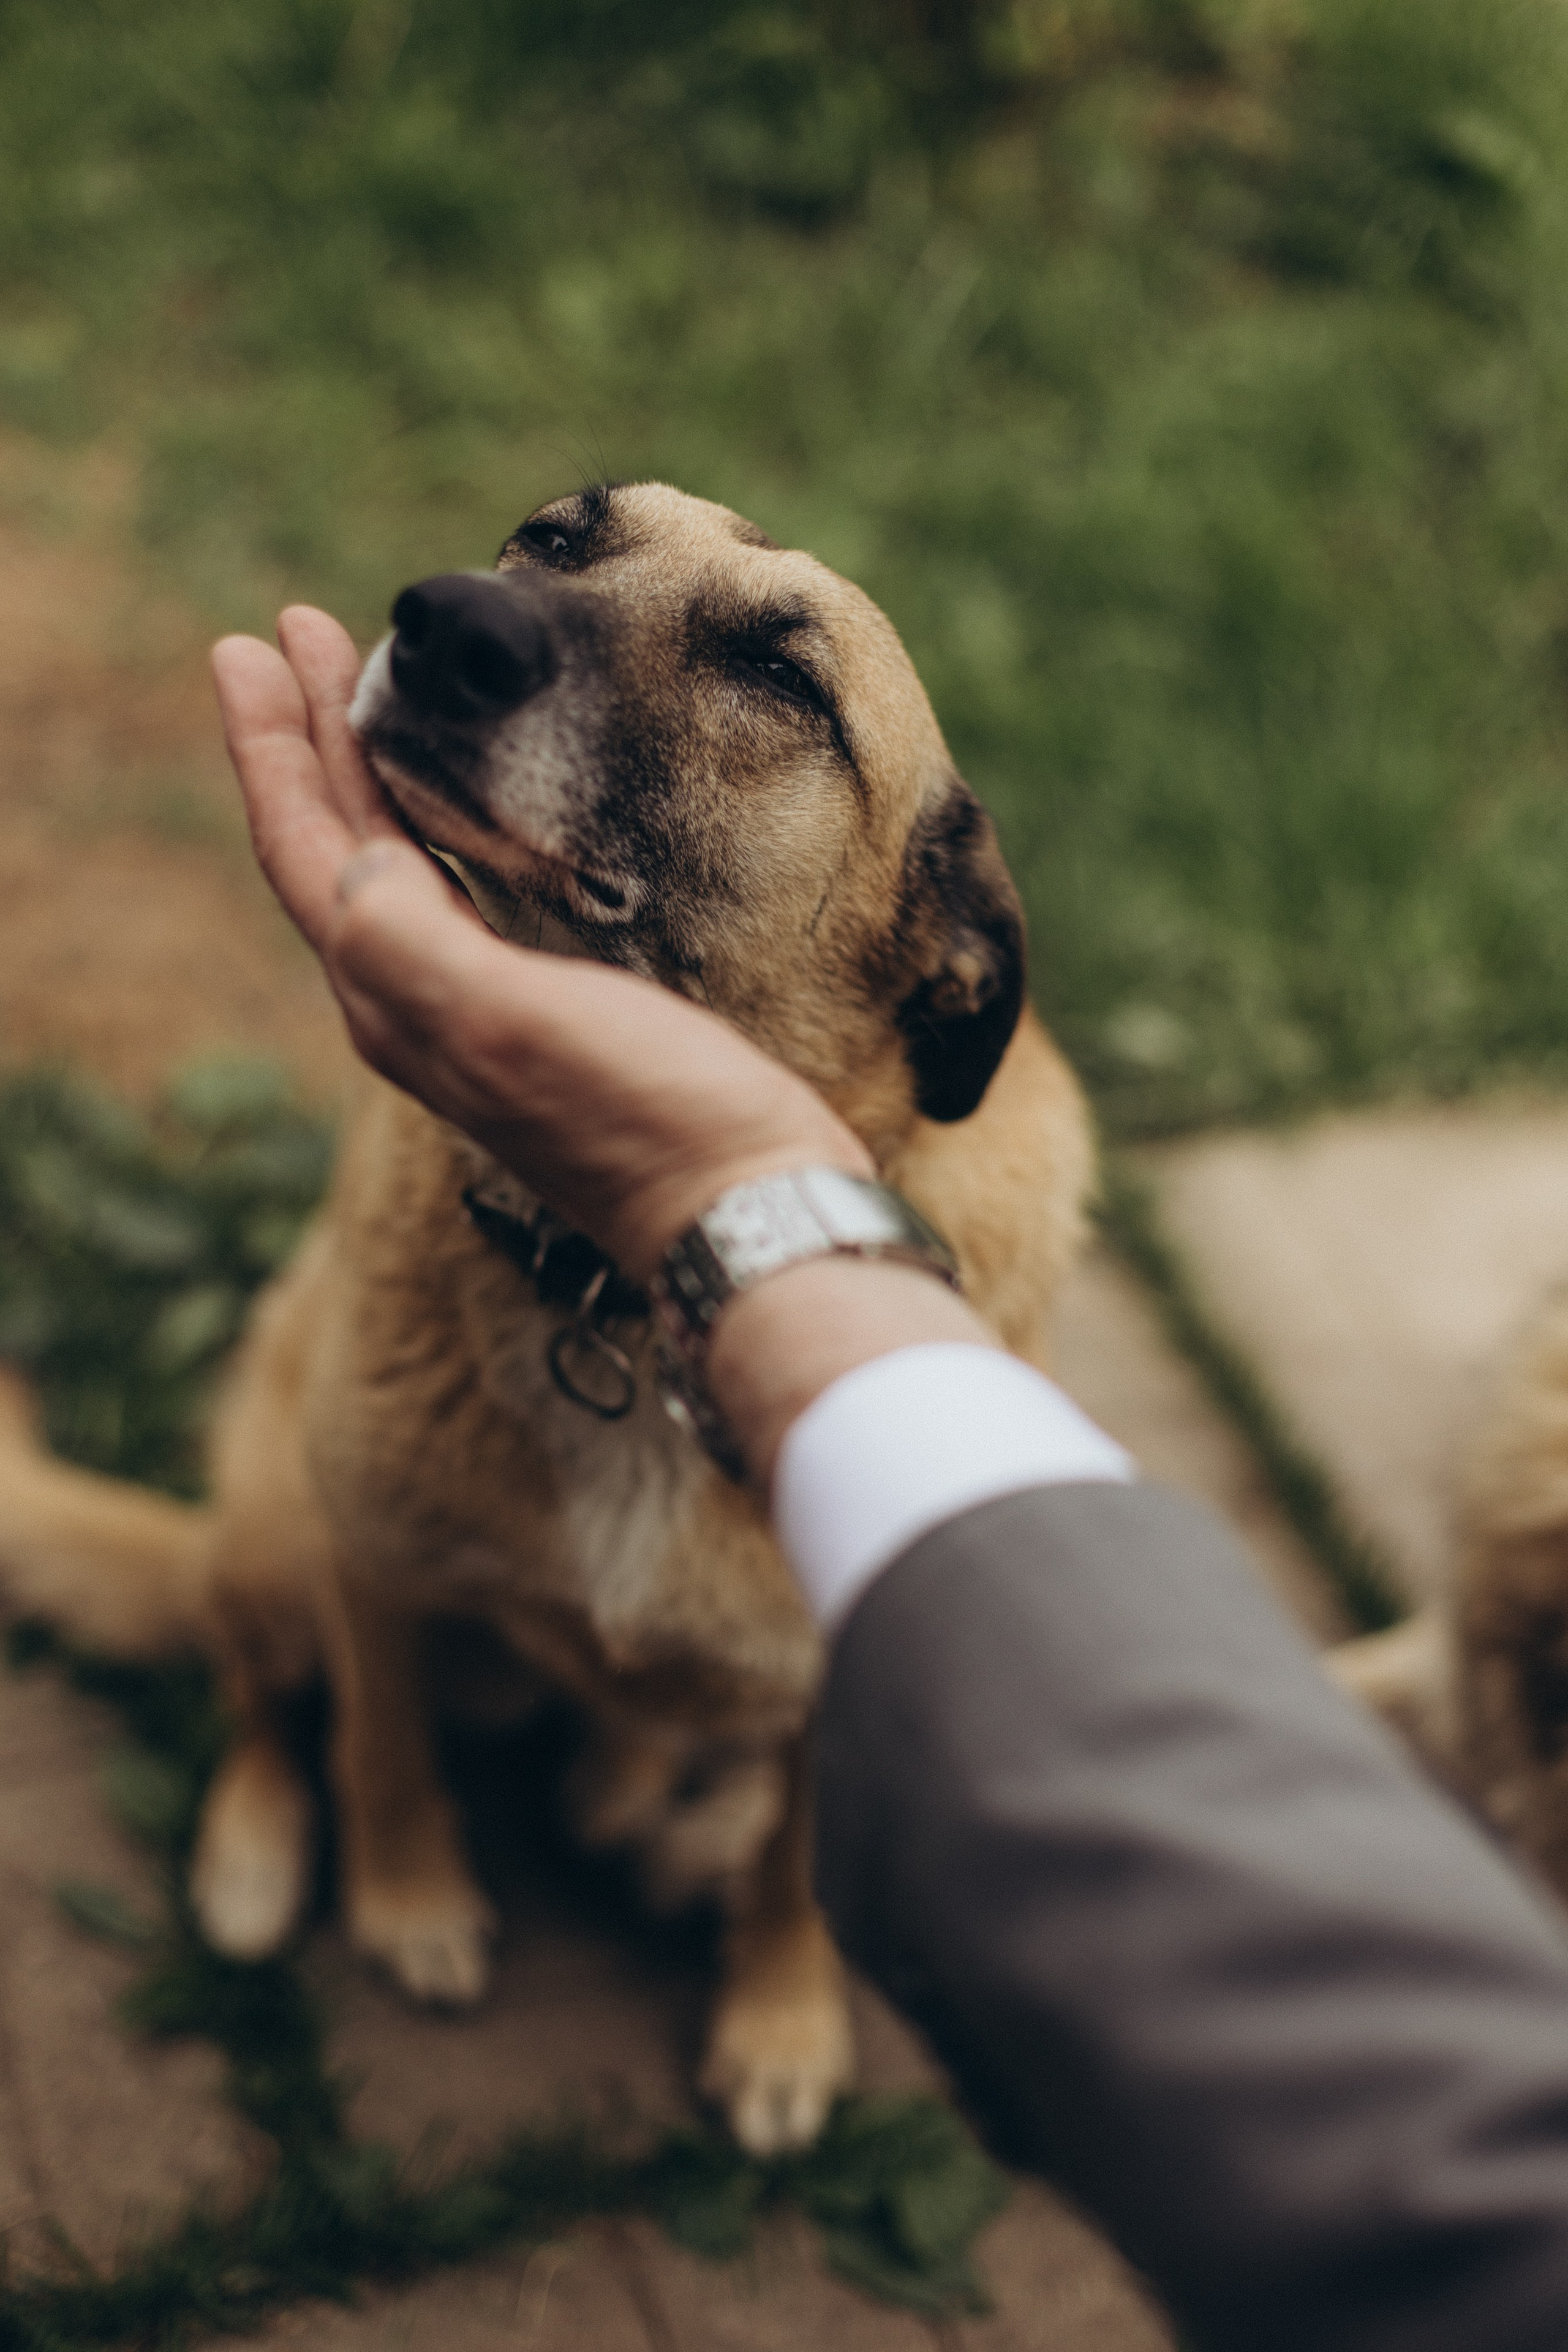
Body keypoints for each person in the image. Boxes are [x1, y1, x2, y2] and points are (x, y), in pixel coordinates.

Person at [213, 607, 1568, 2352]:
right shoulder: (422, 1164)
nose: (498, 613)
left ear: (935, 967)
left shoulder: (956, 1119)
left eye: (772, 684)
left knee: (831, 1679)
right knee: (291, 1543)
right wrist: (385, 1823)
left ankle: (778, 1930)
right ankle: (300, 1757)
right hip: (455, 1540)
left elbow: (899, 1654)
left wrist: (797, 1947)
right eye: (556, 547)